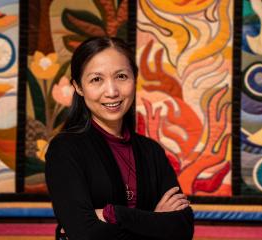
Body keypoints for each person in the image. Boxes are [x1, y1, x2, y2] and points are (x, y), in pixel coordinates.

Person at [45, 37, 194, 240]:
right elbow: (85, 234)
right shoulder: (65, 150)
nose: (112, 92)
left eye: (121, 76)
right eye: (96, 79)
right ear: (79, 87)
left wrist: (112, 214)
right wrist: (154, 220)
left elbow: (182, 228)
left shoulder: (152, 152)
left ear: (134, 79)